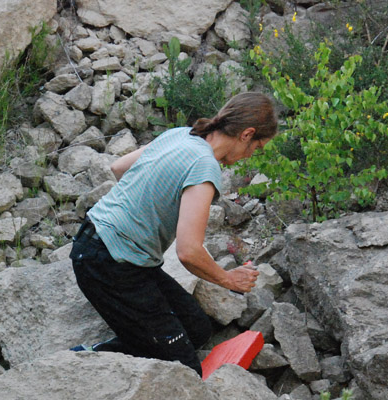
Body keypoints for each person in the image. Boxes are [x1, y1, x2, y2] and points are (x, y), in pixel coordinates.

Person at [70, 92, 278, 374]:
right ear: (247, 134)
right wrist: (228, 279)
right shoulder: (205, 166)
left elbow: (119, 167)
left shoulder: (181, 135)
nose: (250, 156)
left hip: (101, 244)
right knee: (185, 368)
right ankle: (84, 362)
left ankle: (129, 343)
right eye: (257, 147)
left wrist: (147, 209)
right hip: (109, 264)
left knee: (196, 329)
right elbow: (188, 252)